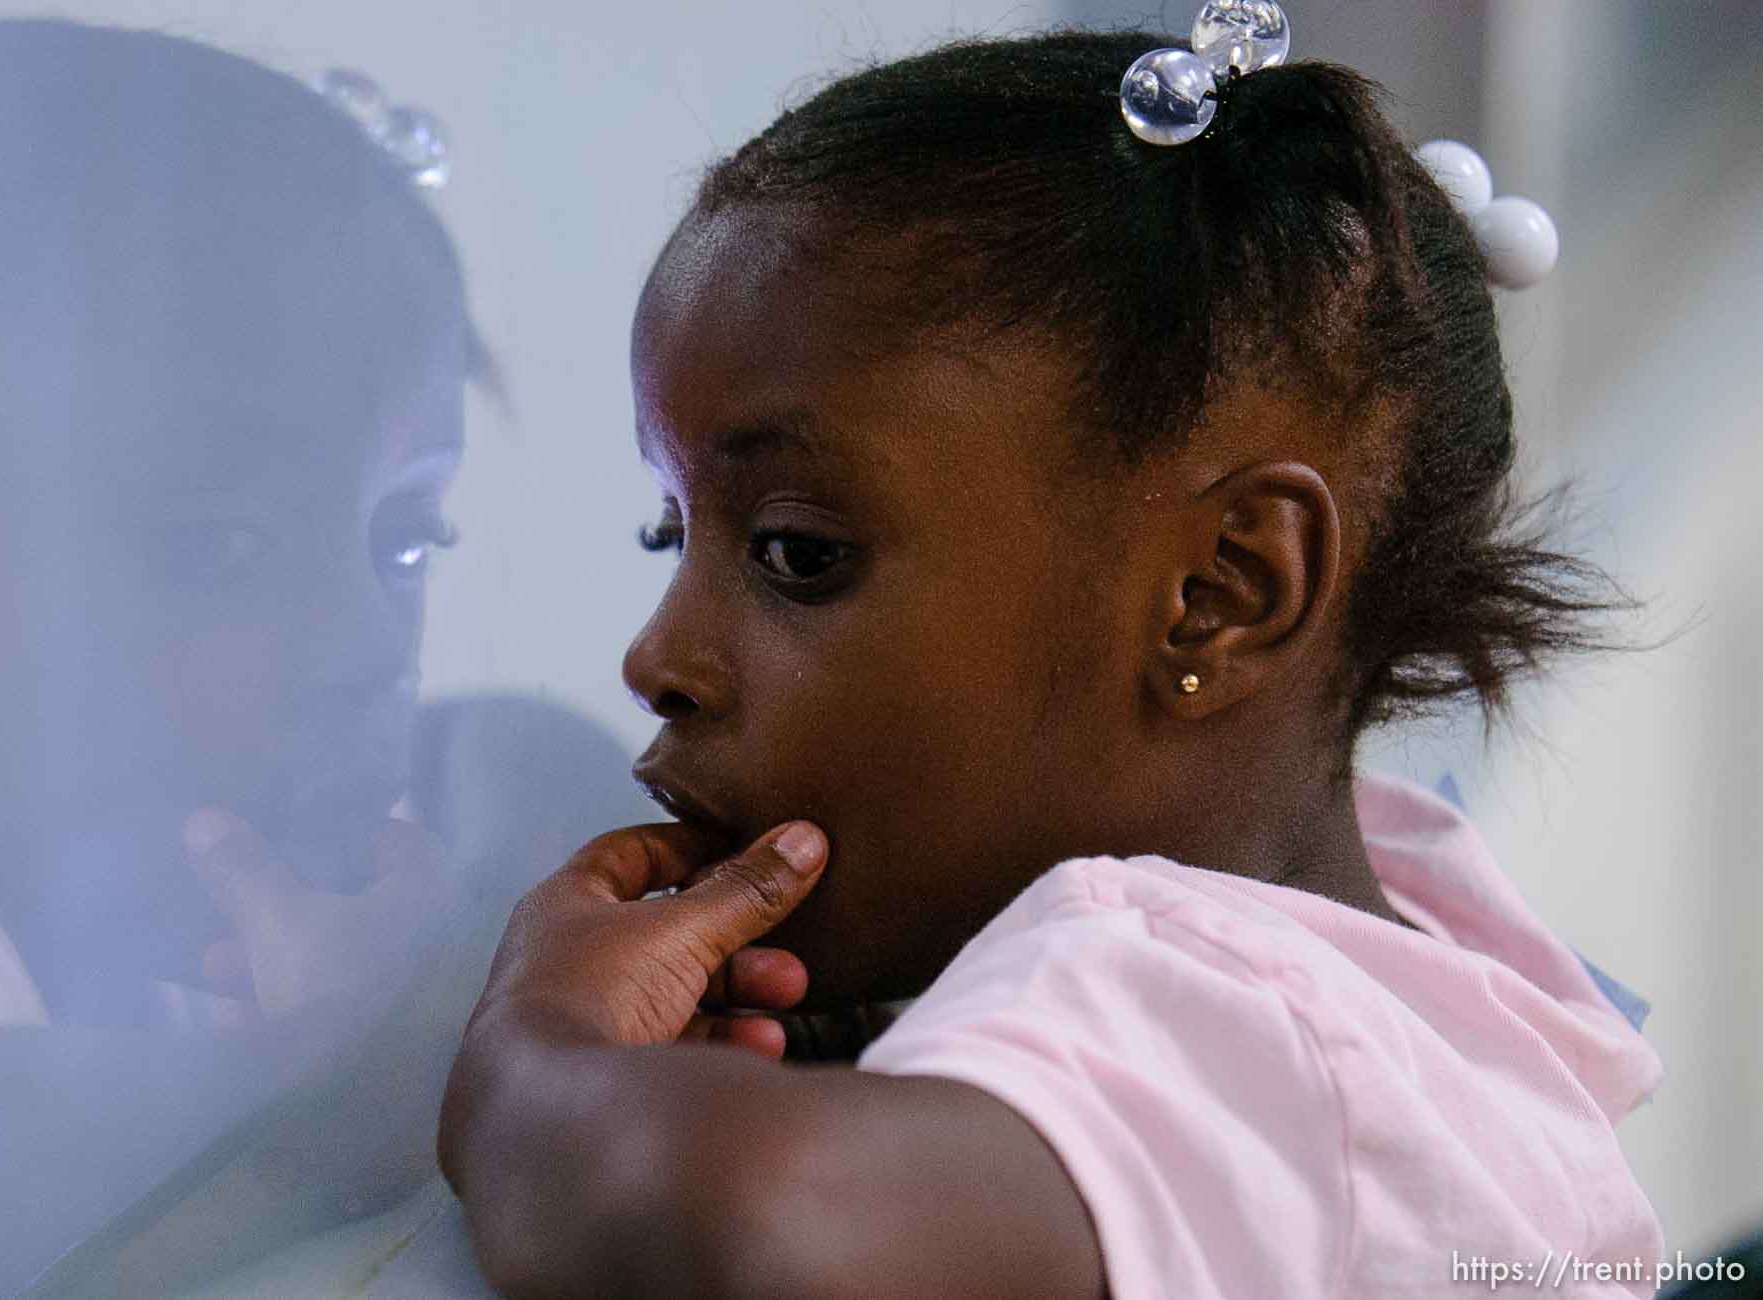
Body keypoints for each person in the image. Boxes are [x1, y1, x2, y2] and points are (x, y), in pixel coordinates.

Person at [438, 27, 1665, 1299]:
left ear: (1218, 594)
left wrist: (532, 1052)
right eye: (670, 531)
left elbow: (726, 1236)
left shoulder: (1219, 994)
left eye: (797, 554)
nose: (657, 657)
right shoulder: (1407, 912)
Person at [0, 20, 523, 1296]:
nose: (363, 646)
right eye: (213, 546)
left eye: (400, 544)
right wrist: (363, 1056)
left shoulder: (177, 970)